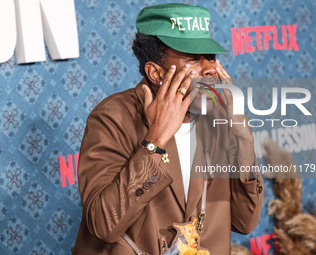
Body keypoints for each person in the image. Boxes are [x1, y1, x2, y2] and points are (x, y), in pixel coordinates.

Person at [72, 3, 263, 255]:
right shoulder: (112, 117)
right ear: (156, 73)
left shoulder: (219, 119)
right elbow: (103, 224)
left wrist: (243, 139)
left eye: (211, 57)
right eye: (193, 58)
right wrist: (155, 139)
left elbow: (245, 221)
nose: (209, 69)